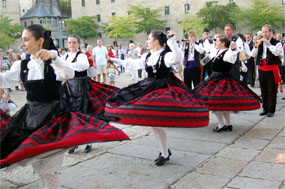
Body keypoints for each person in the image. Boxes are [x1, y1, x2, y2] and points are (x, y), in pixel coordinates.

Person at [0, 25, 129, 189]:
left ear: (39, 41)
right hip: (31, 117)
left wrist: (54, 57)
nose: (23, 43)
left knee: (48, 168)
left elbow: (69, 73)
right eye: (22, 40)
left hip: (54, 119)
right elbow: (6, 80)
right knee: (39, 165)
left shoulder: (55, 64)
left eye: (26, 39)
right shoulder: (22, 65)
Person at [107, 30, 209, 166]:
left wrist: (172, 40)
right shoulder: (147, 56)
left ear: (156, 41)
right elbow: (132, 64)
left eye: (149, 39)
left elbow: (178, 58)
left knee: (156, 123)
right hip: (148, 87)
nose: (147, 42)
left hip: (163, 91)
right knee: (153, 123)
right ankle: (165, 151)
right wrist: (113, 59)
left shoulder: (166, 56)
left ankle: (165, 153)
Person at [194, 34, 261, 132]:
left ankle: (222, 125)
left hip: (222, 81)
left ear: (223, 43)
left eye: (217, 41)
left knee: (215, 103)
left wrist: (234, 49)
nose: (215, 43)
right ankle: (228, 124)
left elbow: (232, 58)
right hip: (215, 79)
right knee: (222, 104)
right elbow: (205, 58)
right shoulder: (216, 51)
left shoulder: (228, 53)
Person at [251, 24, 283, 118]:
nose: (264, 34)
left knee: (271, 90)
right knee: (263, 89)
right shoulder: (260, 43)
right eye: (263, 32)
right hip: (262, 68)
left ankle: (271, 110)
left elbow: (276, 52)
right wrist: (256, 45)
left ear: (271, 32)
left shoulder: (276, 43)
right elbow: (253, 54)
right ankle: (265, 108)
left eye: (266, 32)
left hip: (272, 68)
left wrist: (268, 44)